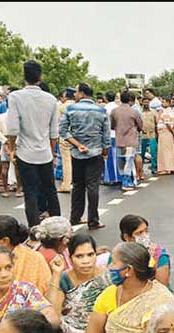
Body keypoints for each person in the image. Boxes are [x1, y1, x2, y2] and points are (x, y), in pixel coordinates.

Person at [6, 61, 60, 228]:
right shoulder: (51, 99)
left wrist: (12, 149)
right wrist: (51, 152)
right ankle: (58, 227)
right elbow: (54, 132)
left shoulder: (15, 97)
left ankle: (34, 228)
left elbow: (13, 128)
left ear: (24, 77)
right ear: (40, 77)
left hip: (25, 152)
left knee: (30, 193)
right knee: (50, 191)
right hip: (44, 152)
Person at [0, 247, 60, 330]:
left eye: (8, 267)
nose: (4, 275)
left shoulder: (24, 291)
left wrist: (15, 329)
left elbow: (52, 318)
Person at [59, 82, 110, 231]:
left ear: (81, 93)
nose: (74, 95)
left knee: (78, 186)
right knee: (93, 186)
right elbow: (106, 134)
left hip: (77, 152)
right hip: (96, 152)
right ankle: (93, 220)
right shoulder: (101, 111)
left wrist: (77, 144)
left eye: (75, 92)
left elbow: (63, 131)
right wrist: (105, 150)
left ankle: (75, 217)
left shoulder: (70, 109)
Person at [115, 214, 171, 288]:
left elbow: (162, 286)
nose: (145, 236)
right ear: (127, 237)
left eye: (146, 231)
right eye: (140, 233)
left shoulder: (159, 255)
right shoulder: (118, 255)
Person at [111, 90, 143, 191]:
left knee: (121, 162)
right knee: (129, 161)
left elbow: (112, 125)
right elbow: (140, 125)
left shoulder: (114, 111)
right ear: (130, 99)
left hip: (119, 140)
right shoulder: (134, 112)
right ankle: (126, 182)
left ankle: (123, 180)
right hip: (130, 141)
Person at [155, 98, 174, 176]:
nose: (162, 103)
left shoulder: (166, 112)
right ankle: (170, 168)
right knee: (169, 150)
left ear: (168, 102)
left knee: (164, 151)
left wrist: (173, 132)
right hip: (167, 133)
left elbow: (168, 124)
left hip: (165, 133)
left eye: (163, 102)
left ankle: (165, 168)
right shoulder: (171, 111)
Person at [140, 97, 158, 176]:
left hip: (152, 134)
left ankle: (154, 168)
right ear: (142, 103)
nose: (146, 104)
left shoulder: (153, 112)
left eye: (147, 102)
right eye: (145, 102)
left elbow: (156, 123)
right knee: (141, 153)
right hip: (142, 135)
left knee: (153, 152)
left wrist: (157, 133)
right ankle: (140, 169)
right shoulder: (139, 112)